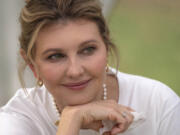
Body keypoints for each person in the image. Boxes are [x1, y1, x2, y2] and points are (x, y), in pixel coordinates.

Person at [0, 0, 180, 135]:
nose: (75, 71)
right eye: (56, 56)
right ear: (32, 64)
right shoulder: (17, 121)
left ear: (106, 46)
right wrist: (71, 121)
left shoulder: (158, 104)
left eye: (88, 50)